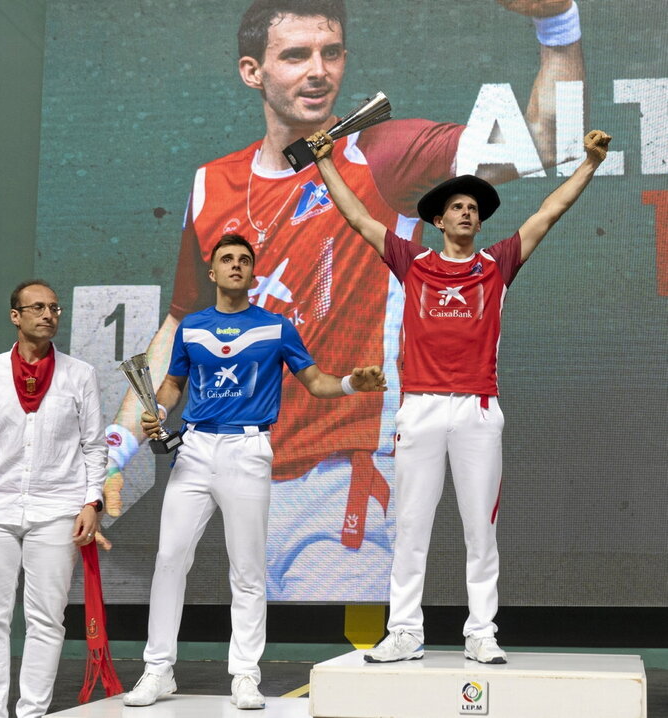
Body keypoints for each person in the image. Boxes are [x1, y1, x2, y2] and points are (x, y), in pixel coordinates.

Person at [105, 0, 588, 601]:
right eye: (295, 56)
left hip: (343, 477)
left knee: (341, 672)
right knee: (255, 665)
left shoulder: (385, 155)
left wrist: (558, 23)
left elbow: (547, 141)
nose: (318, 71)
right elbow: (182, 323)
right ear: (252, 72)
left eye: (330, 53)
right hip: (241, 468)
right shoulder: (212, 183)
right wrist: (115, 454)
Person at [308, 127, 612, 663]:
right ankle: (403, 632)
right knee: (410, 527)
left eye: (474, 207)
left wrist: (588, 164)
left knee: (480, 528)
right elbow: (357, 217)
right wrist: (326, 162)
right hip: (421, 408)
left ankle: (481, 632)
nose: (467, 213)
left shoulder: (497, 266)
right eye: (457, 207)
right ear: (438, 220)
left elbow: (548, 213)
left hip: (478, 410)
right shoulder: (412, 263)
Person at [122, 233, 386, 709]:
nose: (236, 266)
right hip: (196, 449)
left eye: (244, 260)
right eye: (227, 259)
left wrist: (351, 383)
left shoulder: (278, 327)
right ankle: (157, 670)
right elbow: (172, 386)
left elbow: (317, 382)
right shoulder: (193, 328)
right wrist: (157, 414)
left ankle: (245, 673)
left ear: (253, 272)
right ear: (213, 272)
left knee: (246, 569)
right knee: (169, 559)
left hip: (248, 449)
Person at [0, 280, 107, 718]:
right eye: (37, 308)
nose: (49, 314)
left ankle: (32, 712)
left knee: (47, 619)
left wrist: (92, 501)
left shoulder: (80, 374)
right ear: (16, 316)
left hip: (56, 511)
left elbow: (95, 447)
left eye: (54, 307)